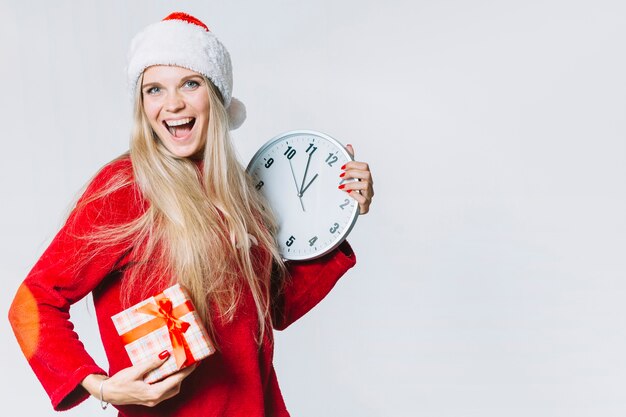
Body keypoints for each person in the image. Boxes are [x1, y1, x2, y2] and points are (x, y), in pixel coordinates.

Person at [8, 12, 374, 417]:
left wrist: (338, 216)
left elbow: (273, 309)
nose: (173, 103)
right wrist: (101, 386)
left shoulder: (239, 190)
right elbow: (31, 303)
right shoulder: (126, 189)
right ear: (141, 104)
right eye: (154, 90)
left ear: (216, 95)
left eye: (190, 83)